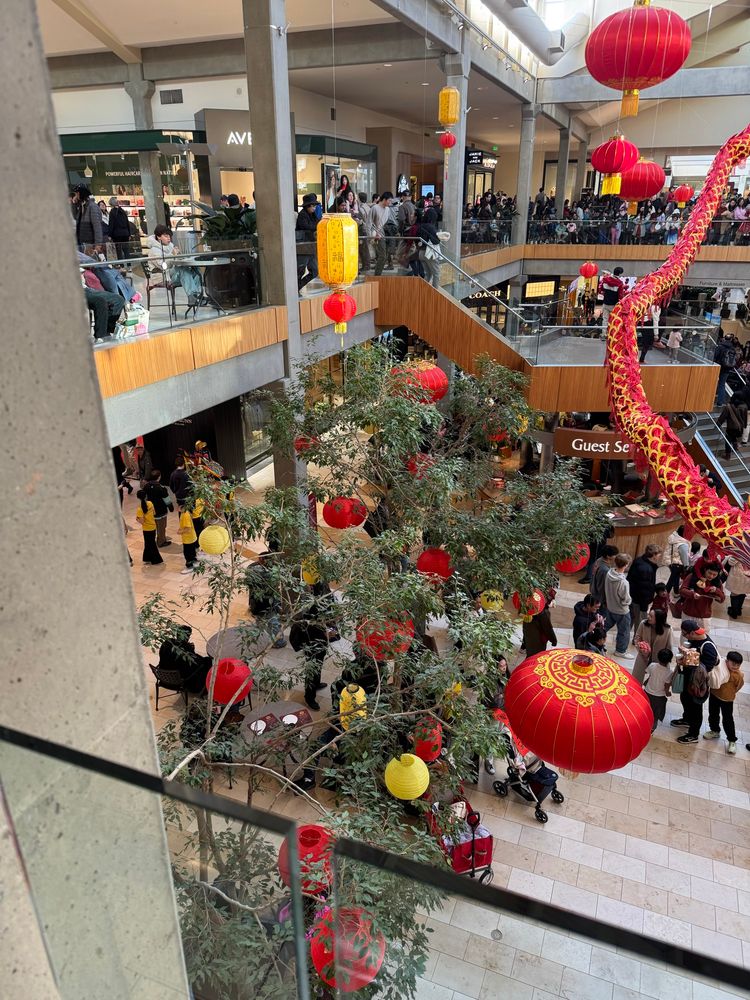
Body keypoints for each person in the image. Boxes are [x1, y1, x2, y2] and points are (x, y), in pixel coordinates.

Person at [672, 619, 719, 743]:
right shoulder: (693, 640)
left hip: (697, 684)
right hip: (688, 678)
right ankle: (686, 719)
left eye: (685, 634)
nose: (683, 636)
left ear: (692, 633)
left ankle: (693, 734)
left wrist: (690, 660)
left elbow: (708, 667)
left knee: (695, 708)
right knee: (685, 699)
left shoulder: (707, 646)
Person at [289, 598, 330, 710]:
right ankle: (309, 697)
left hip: (320, 649)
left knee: (318, 667)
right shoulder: (307, 624)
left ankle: (316, 684)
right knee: (311, 672)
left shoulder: (316, 621)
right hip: (312, 650)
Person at [704, 651, 744, 754]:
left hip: (727, 699)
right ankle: (715, 730)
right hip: (714, 695)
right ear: (726, 661)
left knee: (728, 720)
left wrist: (731, 693)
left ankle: (732, 740)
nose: (735, 666)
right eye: (733, 663)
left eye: (738, 665)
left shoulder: (738, 675)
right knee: (713, 714)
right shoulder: (720, 668)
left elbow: (738, 686)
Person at [158, 625, 211, 693]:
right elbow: (194, 663)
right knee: (207, 662)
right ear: (187, 637)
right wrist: (192, 650)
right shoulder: (186, 649)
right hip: (178, 678)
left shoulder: (167, 643)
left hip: (163, 676)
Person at [627, 544, 662, 636]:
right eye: (658, 554)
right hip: (639, 600)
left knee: (632, 618)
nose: (660, 556)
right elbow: (644, 590)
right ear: (653, 555)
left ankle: (626, 636)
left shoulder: (639, 560)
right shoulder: (646, 569)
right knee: (639, 621)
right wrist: (644, 606)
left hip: (632, 596)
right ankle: (636, 638)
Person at [679, 561, 725, 628]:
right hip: (689, 613)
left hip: (704, 616)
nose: (711, 576)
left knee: (703, 637)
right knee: (686, 636)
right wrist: (692, 594)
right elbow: (682, 590)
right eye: (709, 573)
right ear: (705, 569)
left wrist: (716, 591)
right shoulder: (693, 576)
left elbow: (722, 599)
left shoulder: (717, 582)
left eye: (714, 574)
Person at [604, 553, 634, 658]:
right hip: (622, 610)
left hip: (610, 607)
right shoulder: (623, 582)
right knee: (624, 631)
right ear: (626, 565)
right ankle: (620, 651)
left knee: (604, 626)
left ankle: (596, 640)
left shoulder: (609, 573)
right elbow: (625, 599)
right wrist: (629, 601)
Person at [633, 608, 672, 684]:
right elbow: (637, 638)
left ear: (658, 619)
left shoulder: (667, 629)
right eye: (648, 614)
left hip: (659, 659)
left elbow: (669, 646)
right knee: (636, 679)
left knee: (656, 681)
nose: (648, 617)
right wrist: (640, 648)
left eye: (651, 616)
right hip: (643, 656)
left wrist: (666, 660)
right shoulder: (643, 624)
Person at [643, 648, 675, 732]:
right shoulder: (669, 672)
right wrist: (667, 693)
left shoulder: (652, 665)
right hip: (659, 697)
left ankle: (643, 725)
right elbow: (666, 685)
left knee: (646, 711)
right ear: (670, 660)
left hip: (647, 692)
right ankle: (651, 729)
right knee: (655, 715)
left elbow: (648, 673)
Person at [295, 193, 319, 290]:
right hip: (303, 247)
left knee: (314, 271)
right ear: (308, 206)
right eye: (313, 206)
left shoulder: (313, 215)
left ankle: (298, 286)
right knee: (300, 270)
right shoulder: (302, 215)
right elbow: (306, 227)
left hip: (310, 247)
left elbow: (318, 223)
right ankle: (295, 287)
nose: (314, 208)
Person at [72, 184, 105, 254]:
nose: (75, 196)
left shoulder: (92, 207)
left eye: (76, 194)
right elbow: (75, 217)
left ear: (81, 193)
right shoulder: (82, 206)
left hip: (90, 243)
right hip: (82, 242)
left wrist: (98, 244)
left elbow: (97, 226)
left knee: (91, 263)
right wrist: (74, 204)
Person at [144, 470, 172, 548]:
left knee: (155, 526)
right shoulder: (161, 488)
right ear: (159, 477)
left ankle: (156, 539)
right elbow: (167, 499)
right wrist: (171, 507)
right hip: (161, 511)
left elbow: (144, 498)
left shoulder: (146, 486)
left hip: (151, 511)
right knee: (162, 527)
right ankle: (161, 542)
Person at [135, 490, 163, 565]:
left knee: (151, 544)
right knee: (149, 543)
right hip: (153, 526)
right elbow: (154, 513)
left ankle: (156, 559)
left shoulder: (139, 509)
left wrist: (137, 519)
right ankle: (147, 558)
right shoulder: (150, 503)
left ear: (138, 498)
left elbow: (142, 521)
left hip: (146, 529)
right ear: (146, 496)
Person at [417, 207, 442, 289]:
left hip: (421, 253)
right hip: (429, 254)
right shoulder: (431, 227)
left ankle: (423, 290)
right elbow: (435, 241)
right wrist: (439, 237)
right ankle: (435, 293)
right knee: (436, 273)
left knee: (428, 273)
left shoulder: (420, 226)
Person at [370, 192, 393, 276]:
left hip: (383, 233)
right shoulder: (374, 208)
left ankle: (378, 274)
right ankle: (377, 275)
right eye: (389, 201)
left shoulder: (387, 209)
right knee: (382, 255)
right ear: (384, 199)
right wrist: (371, 236)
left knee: (383, 255)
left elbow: (386, 222)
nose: (390, 203)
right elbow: (369, 223)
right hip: (376, 234)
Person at [663, 526, 690, 596]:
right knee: (671, 580)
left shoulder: (674, 537)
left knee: (676, 577)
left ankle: (676, 591)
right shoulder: (683, 544)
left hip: (670, 560)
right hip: (677, 564)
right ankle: (665, 595)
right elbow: (684, 558)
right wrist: (686, 566)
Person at [713, 332, 737, 406]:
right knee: (722, 384)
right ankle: (720, 402)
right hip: (727, 369)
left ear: (724, 338)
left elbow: (715, 356)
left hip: (718, 367)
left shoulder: (720, 346)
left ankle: (709, 399)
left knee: (713, 383)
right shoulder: (733, 348)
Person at [599, 267, 626, 333]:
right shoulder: (620, 283)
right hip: (614, 305)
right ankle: (611, 334)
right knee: (613, 319)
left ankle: (603, 333)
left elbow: (601, 289)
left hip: (605, 303)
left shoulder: (605, 279)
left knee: (605, 319)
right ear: (619, 274)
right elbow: (620, 296)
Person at [177, 503, 198, 574]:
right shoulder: (185, 513)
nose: (177, 507)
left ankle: (189, 566)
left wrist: (180, 532)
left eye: (178, 505)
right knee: (192, 551)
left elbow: (188, 528)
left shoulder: (185, 515)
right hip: (191, 537)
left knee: (187, 553)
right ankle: (194, 561)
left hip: (188, 538)